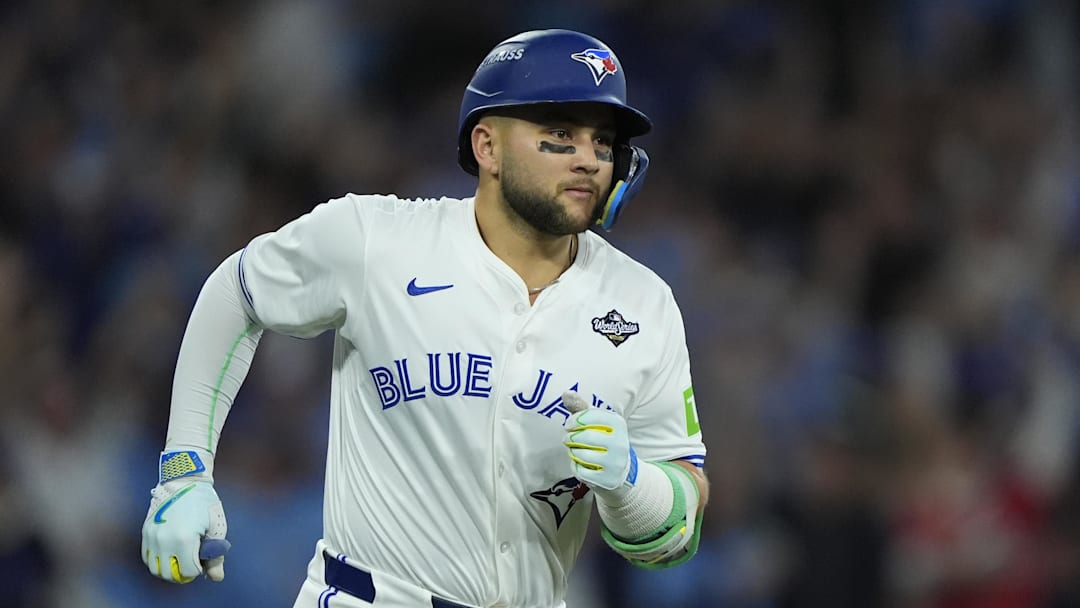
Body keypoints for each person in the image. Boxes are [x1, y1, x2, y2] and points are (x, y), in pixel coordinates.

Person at [140, 29, 709, 608]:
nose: (589, 158)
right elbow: (235, 293)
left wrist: (632, 484)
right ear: (487, 147)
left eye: (604, 141)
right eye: (559, 134)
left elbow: (677, 527)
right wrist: (184, 471)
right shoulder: (376, 240)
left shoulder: (644, 304)